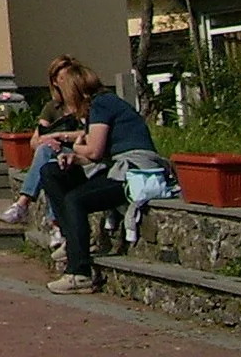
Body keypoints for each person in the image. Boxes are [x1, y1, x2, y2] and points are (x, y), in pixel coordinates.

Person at [38, 59, 167, 295]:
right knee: (51, 173)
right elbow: (97, 154)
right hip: (116, 166)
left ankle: (79, 273)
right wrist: (74, 159)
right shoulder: (98, 106)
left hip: (134, 170)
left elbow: (94, 150)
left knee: (76, 200)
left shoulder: (102, 105)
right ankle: (72, 241)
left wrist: (76, 151)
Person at [0, 55, 84, 225]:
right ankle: (48, 220)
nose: (68, 83)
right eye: (63, 78)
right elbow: (35, 141)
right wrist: (46, 140)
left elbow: (89, 133)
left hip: (79, 154)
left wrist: (60, 136)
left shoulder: (86, 106)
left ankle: (24, 206)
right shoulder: (52, 108)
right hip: (56, 156)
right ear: (55, 82)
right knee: (46, 156)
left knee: (50, 162)